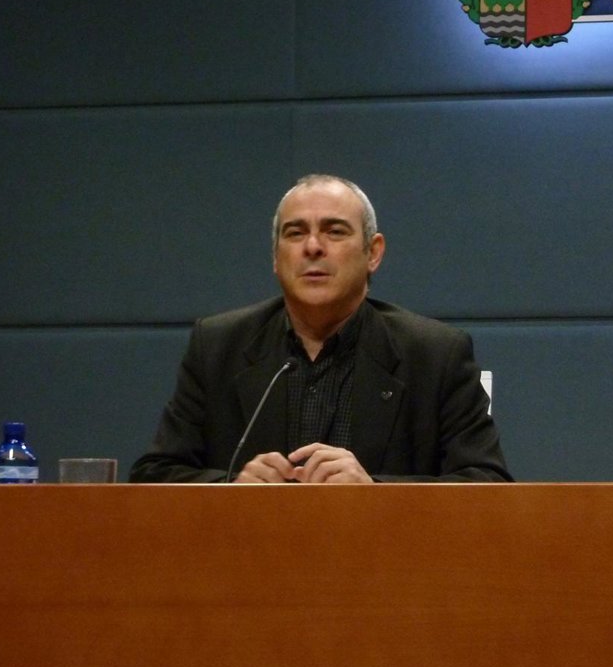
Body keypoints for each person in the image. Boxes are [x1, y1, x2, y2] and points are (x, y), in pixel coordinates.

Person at [130, 174, 510, 484]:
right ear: (276, 257)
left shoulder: (436, 354)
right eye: (295, 233)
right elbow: (154, 476)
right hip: (250, 552)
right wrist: (231, 489)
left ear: (373, 252)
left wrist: (375, 492)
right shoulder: (217, 346)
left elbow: (487, 483)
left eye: (335, 231)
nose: (312, 247)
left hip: (381, 553)